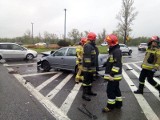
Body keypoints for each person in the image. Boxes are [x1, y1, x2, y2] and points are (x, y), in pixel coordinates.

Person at [102, 34, 123, 112]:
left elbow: (117, 64)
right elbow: (112, 61)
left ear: (112, 43)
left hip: (114, 76)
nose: (107, 44)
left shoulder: (116, 51)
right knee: (116, 90)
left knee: (110, 91)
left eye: (108, 42)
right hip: (115, 76)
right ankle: (118, 104)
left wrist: (111, 74)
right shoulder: (114, 50)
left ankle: (110, 106)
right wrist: (106, 64)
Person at [82, 32, 97, 101]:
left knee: (90, 81)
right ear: (92, 39)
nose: (95, 40)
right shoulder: (88, 46)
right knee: (86, 81)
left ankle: (89, 91)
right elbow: (87, 58)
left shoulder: (92, 45)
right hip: (88, 68)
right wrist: (88, 67)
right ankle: (84, 94)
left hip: (91, 67)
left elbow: (96, 54)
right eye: (95, 38)